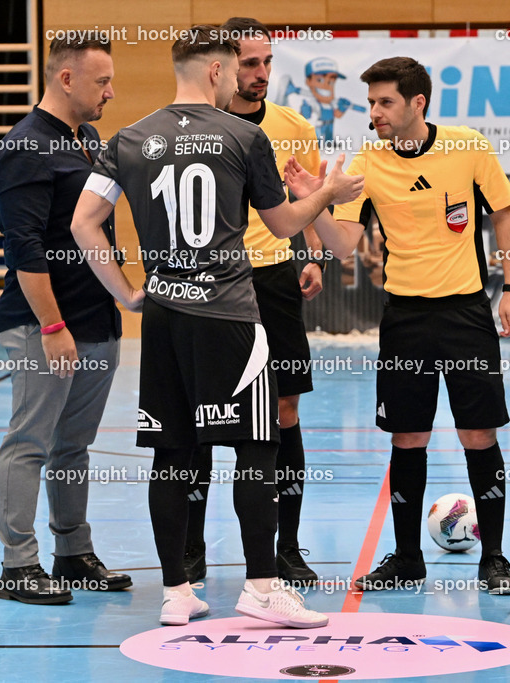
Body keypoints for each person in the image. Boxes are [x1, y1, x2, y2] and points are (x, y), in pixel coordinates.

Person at [69, 26, 363, 627]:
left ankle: (177, 591)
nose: (239, 80)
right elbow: (282, 226)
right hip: (231, 318)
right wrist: (328, 190)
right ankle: (260, 585)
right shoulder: (243, 135)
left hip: (165, 322)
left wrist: (127, 292)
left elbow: (83, 224)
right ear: (214, 72)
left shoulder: (127, 138)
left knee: (172, 455)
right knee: (258, 448)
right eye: (235, 70)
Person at [284, 56, 510, 594]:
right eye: (371, 102)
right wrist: (313, 198)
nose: (375, 112)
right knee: (407, 437)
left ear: (418, 102)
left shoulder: (467, 147)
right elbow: (343, 244)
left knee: (478, 434)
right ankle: (408, 557)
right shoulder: (367, 160)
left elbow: (505, 213)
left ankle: (496, 558)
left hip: (465, 313)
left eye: (385, 101)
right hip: (404, 318)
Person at [182, 17, 325, 587]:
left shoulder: (293, 125)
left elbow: (304, 195)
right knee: (202, 420)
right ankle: (190, 548)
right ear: (220, 65)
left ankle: (285, 547)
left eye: (267, 62)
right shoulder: (195, 129)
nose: (261, 73)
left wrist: (312, 253)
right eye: (249, 63)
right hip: (213, 286)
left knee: (285, 414)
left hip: (274, 283)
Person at [0, 36, 131, 605]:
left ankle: (72, 552)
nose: (111, 92)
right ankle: (18, 566)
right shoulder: (25, 147)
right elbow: (24, 247)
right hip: (43, 326)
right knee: (30, 441)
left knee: (73, 446)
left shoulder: (89, 140)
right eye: (101, 82)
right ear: (66, 79)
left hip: (97, 323)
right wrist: (52, 327)